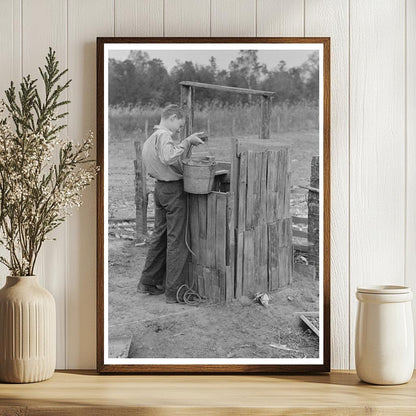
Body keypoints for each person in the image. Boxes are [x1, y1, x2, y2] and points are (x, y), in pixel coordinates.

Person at [137, 104, 204, 303]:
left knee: (159, 236)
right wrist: (186, 141)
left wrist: (186, 144)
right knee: (177, 240)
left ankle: (148, 282)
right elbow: (167, 157)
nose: (179, 130)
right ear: (173, 117)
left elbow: (161, 159)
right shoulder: (164, 136)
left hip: (160, 189)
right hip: (173, 191)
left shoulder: (150, 139)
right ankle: (174, 291)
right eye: (180, 125)